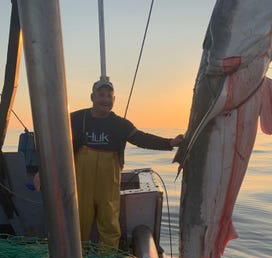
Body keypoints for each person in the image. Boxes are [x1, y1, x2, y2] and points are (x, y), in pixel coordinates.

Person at [35, 78, 183, 249]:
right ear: (92, 97)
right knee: (78, 220)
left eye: (109, 96)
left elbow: (143, 139)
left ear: (113, 100)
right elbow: (54, 143)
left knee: (109, 222)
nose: (105, 99)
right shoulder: (75, 118)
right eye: (101, 95)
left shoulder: (120, 124)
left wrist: (169, 143)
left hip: (108, 183)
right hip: (81, 181)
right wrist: (42, 171)